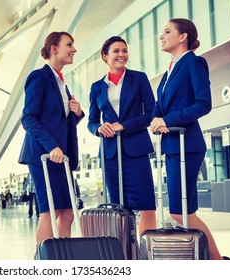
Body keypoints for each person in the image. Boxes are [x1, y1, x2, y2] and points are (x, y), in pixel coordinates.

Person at [150, 18, 229, 260]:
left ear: (183, 36)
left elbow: (203, 104)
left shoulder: (195, 63)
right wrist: (155, 119)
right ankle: (205, 261)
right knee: (180, 211)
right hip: (172, 147)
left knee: (181, 211)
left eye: (166, 31)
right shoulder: (168, 72)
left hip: (188, 145)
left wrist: (167, 120)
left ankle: (217, 261)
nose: (161, 36)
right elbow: (159, 106)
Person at [18, 31, 84, 246]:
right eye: (69, 45)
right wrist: (52, 146)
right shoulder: (40, 77)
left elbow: (60, 123)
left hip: (61, 157)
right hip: (43, 155)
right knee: (50, 210)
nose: (74, 49)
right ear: (54, 49)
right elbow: (28, 118)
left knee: (67, 213)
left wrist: (77, 114)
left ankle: (62, 258)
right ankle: (44, 262)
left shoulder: (62, 84)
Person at [88, 36, 157, 237]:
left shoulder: (139, 78)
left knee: (146, 203)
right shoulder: (97, 87)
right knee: (118, 208)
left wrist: (123, 126)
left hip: (136, 149)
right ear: (105, 56)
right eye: (116, 51)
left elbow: (151, 113)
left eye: (124, 51)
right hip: (110, 152)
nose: (121, 55)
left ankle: (146, 252)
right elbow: (92, 121)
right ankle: (124, 253)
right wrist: (99, 128)